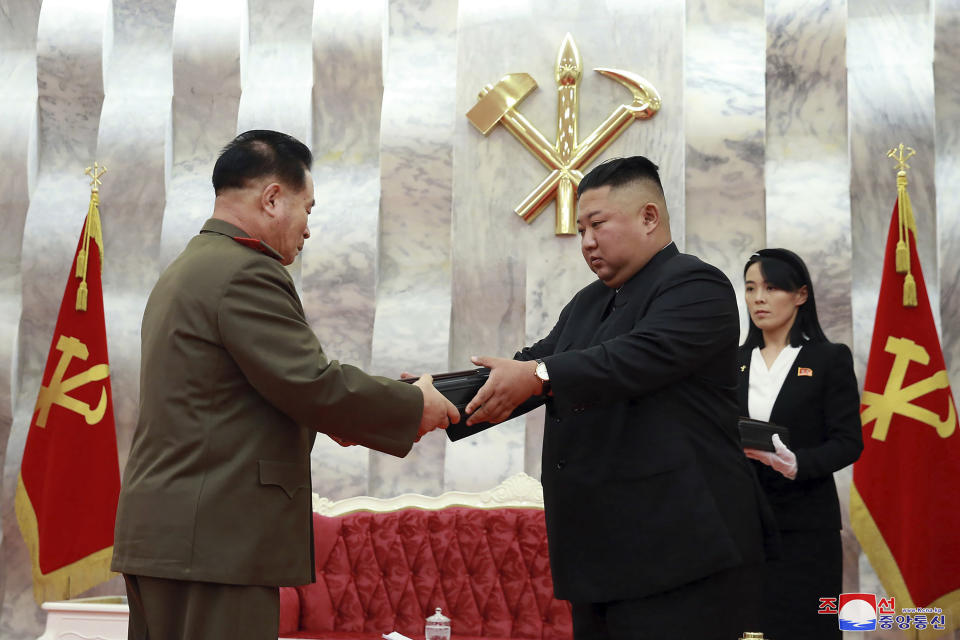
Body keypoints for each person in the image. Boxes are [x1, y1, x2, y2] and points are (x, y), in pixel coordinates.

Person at [111, 130, 459, 640]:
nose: (308, 230)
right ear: (273, 198)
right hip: (215, 541)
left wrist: (331, 417)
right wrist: (414, 405)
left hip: (177, 536)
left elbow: (246, 393)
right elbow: (312, 382)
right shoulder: (243, 271)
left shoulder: (189, 268)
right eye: (308, 210)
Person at [459, 156, 776, 640]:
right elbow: (527, 367)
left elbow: (629, 359)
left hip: (679, 553)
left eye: (597, 225)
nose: (586, 242)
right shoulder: (588, 301)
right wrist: (425, 400)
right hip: (599, 555)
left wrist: (539, 373)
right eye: (581, 228)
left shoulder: (696, 285)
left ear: (649, 218)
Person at [738, 248, 863, 640]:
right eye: (751, 288)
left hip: (806, 528)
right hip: (740, 524)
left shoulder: (829, 359)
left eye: (771, 287)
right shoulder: (729, 362)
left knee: (806, 627)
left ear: (800, 295)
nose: (759, 298)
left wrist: (798, 464)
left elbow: (848, 442)